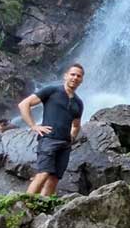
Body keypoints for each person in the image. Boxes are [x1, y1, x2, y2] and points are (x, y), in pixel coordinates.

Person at [19, 63, 85, 196]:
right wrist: (33, 126)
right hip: (49, 139)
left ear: (81, 80)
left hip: (64, 144)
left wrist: (71, 138)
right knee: (43, 173)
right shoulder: (52, 90)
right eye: (72, 74)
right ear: (65, 76)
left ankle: (41, 209)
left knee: (54, 179)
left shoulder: (79, 103)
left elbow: (76, 125)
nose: (75, 78)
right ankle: (24, 206)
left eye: (79, 76)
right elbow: (24, 104)